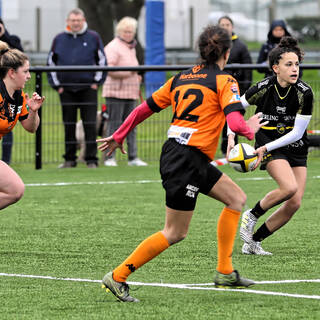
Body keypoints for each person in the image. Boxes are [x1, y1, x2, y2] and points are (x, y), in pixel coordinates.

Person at [97, 25, 267, 302]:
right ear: (226, 52)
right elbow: (235, 122)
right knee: (175, 232)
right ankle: (118, 276)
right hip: (185, 159)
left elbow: (142, 109)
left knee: (236, 198)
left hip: (185, 156)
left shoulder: (181, 78)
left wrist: (119, 135)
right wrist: (249, 129)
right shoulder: (225, 80)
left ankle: (225, 271)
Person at [228, 37, 313, 255]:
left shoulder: (305, 92)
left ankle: (253, 242)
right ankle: (251, 215)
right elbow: (234, 110)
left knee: (294, 203)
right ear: (276, 68)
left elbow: (297, 133)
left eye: (296, 64)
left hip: (295, 145)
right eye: (289, 65)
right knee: (288, 187)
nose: (295, 69)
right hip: (268, 144)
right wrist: (231, 138)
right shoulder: (263, 88)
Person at [47, 8, 107, 169]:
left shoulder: (93, 37)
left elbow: (102, 61)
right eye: (72, 20)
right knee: (69, 125)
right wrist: (57, 86)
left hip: (88, 89)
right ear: (68, 22)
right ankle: (69, 159)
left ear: (83, 20)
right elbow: (51, 63)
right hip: (66, 90)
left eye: (78, 20)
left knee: (90, 124)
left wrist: (96, 82)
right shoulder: (59, 39)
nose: (75, 23)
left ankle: (91, 160)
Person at [0, 41, 44, 210]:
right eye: (25, 71)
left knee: (15, 190)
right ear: (11, 72)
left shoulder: (18, 96)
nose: (29, 76)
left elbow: (30, 128)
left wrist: (33, 111)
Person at [102, 16, 147, 167]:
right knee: (114, 125)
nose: (129, 34)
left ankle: (133, 157)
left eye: (131, 32)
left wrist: (136, 76)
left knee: (132, 126)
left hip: (131, 92)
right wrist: (130, 73)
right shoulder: (113, 47)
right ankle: (109, 157)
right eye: (126, 31)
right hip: (115, 93)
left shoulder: (131, 47)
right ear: (119, 31)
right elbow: (109, 68)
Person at [218, 15, 252, 156]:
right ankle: (220, 148)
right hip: (217, 90)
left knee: (232, 120)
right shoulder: (215, 44)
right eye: (222, 25)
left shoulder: (240, 46)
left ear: (232, 27)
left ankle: (233, 149)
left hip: (234, 90)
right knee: (216, 120)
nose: (225, 27)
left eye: (227, 24)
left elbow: (247, 69)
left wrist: (243, 91)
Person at [0, 18, 24, 165]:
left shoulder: (12, 40)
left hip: (7, 94)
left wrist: (4, 35)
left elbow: (19, 58)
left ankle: (5, 162)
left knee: (7, 127)